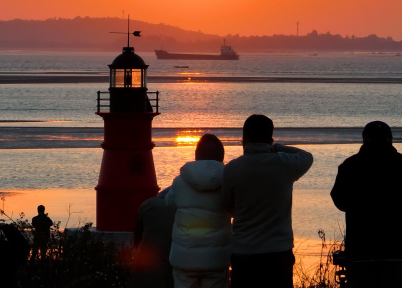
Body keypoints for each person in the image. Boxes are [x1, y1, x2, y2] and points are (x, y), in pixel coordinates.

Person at [330, 121, 402, 288]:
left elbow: (340, 201)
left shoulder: (349, 166)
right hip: (398, 252)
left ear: (364, 139)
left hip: (360, 252)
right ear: (390, 139)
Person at [222, 114, 313, 288]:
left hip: (244, 252)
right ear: (270, 140)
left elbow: (228, 206)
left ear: (244, 138)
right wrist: (276, 147)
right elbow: (306, 156)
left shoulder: (232, 169)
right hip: (278, 252)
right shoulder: (284, 164)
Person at [166, 134, 232, 288]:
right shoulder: (228, 181)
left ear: (197, 154)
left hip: (184, 259)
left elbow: (169, 202)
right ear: (221, 156)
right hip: (216, 259)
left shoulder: (180, 181)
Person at [129, 187, 177, 288]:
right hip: (173, 264)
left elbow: (137, 236)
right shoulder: (185, 207)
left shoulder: (148, 204)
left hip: (144, 263)